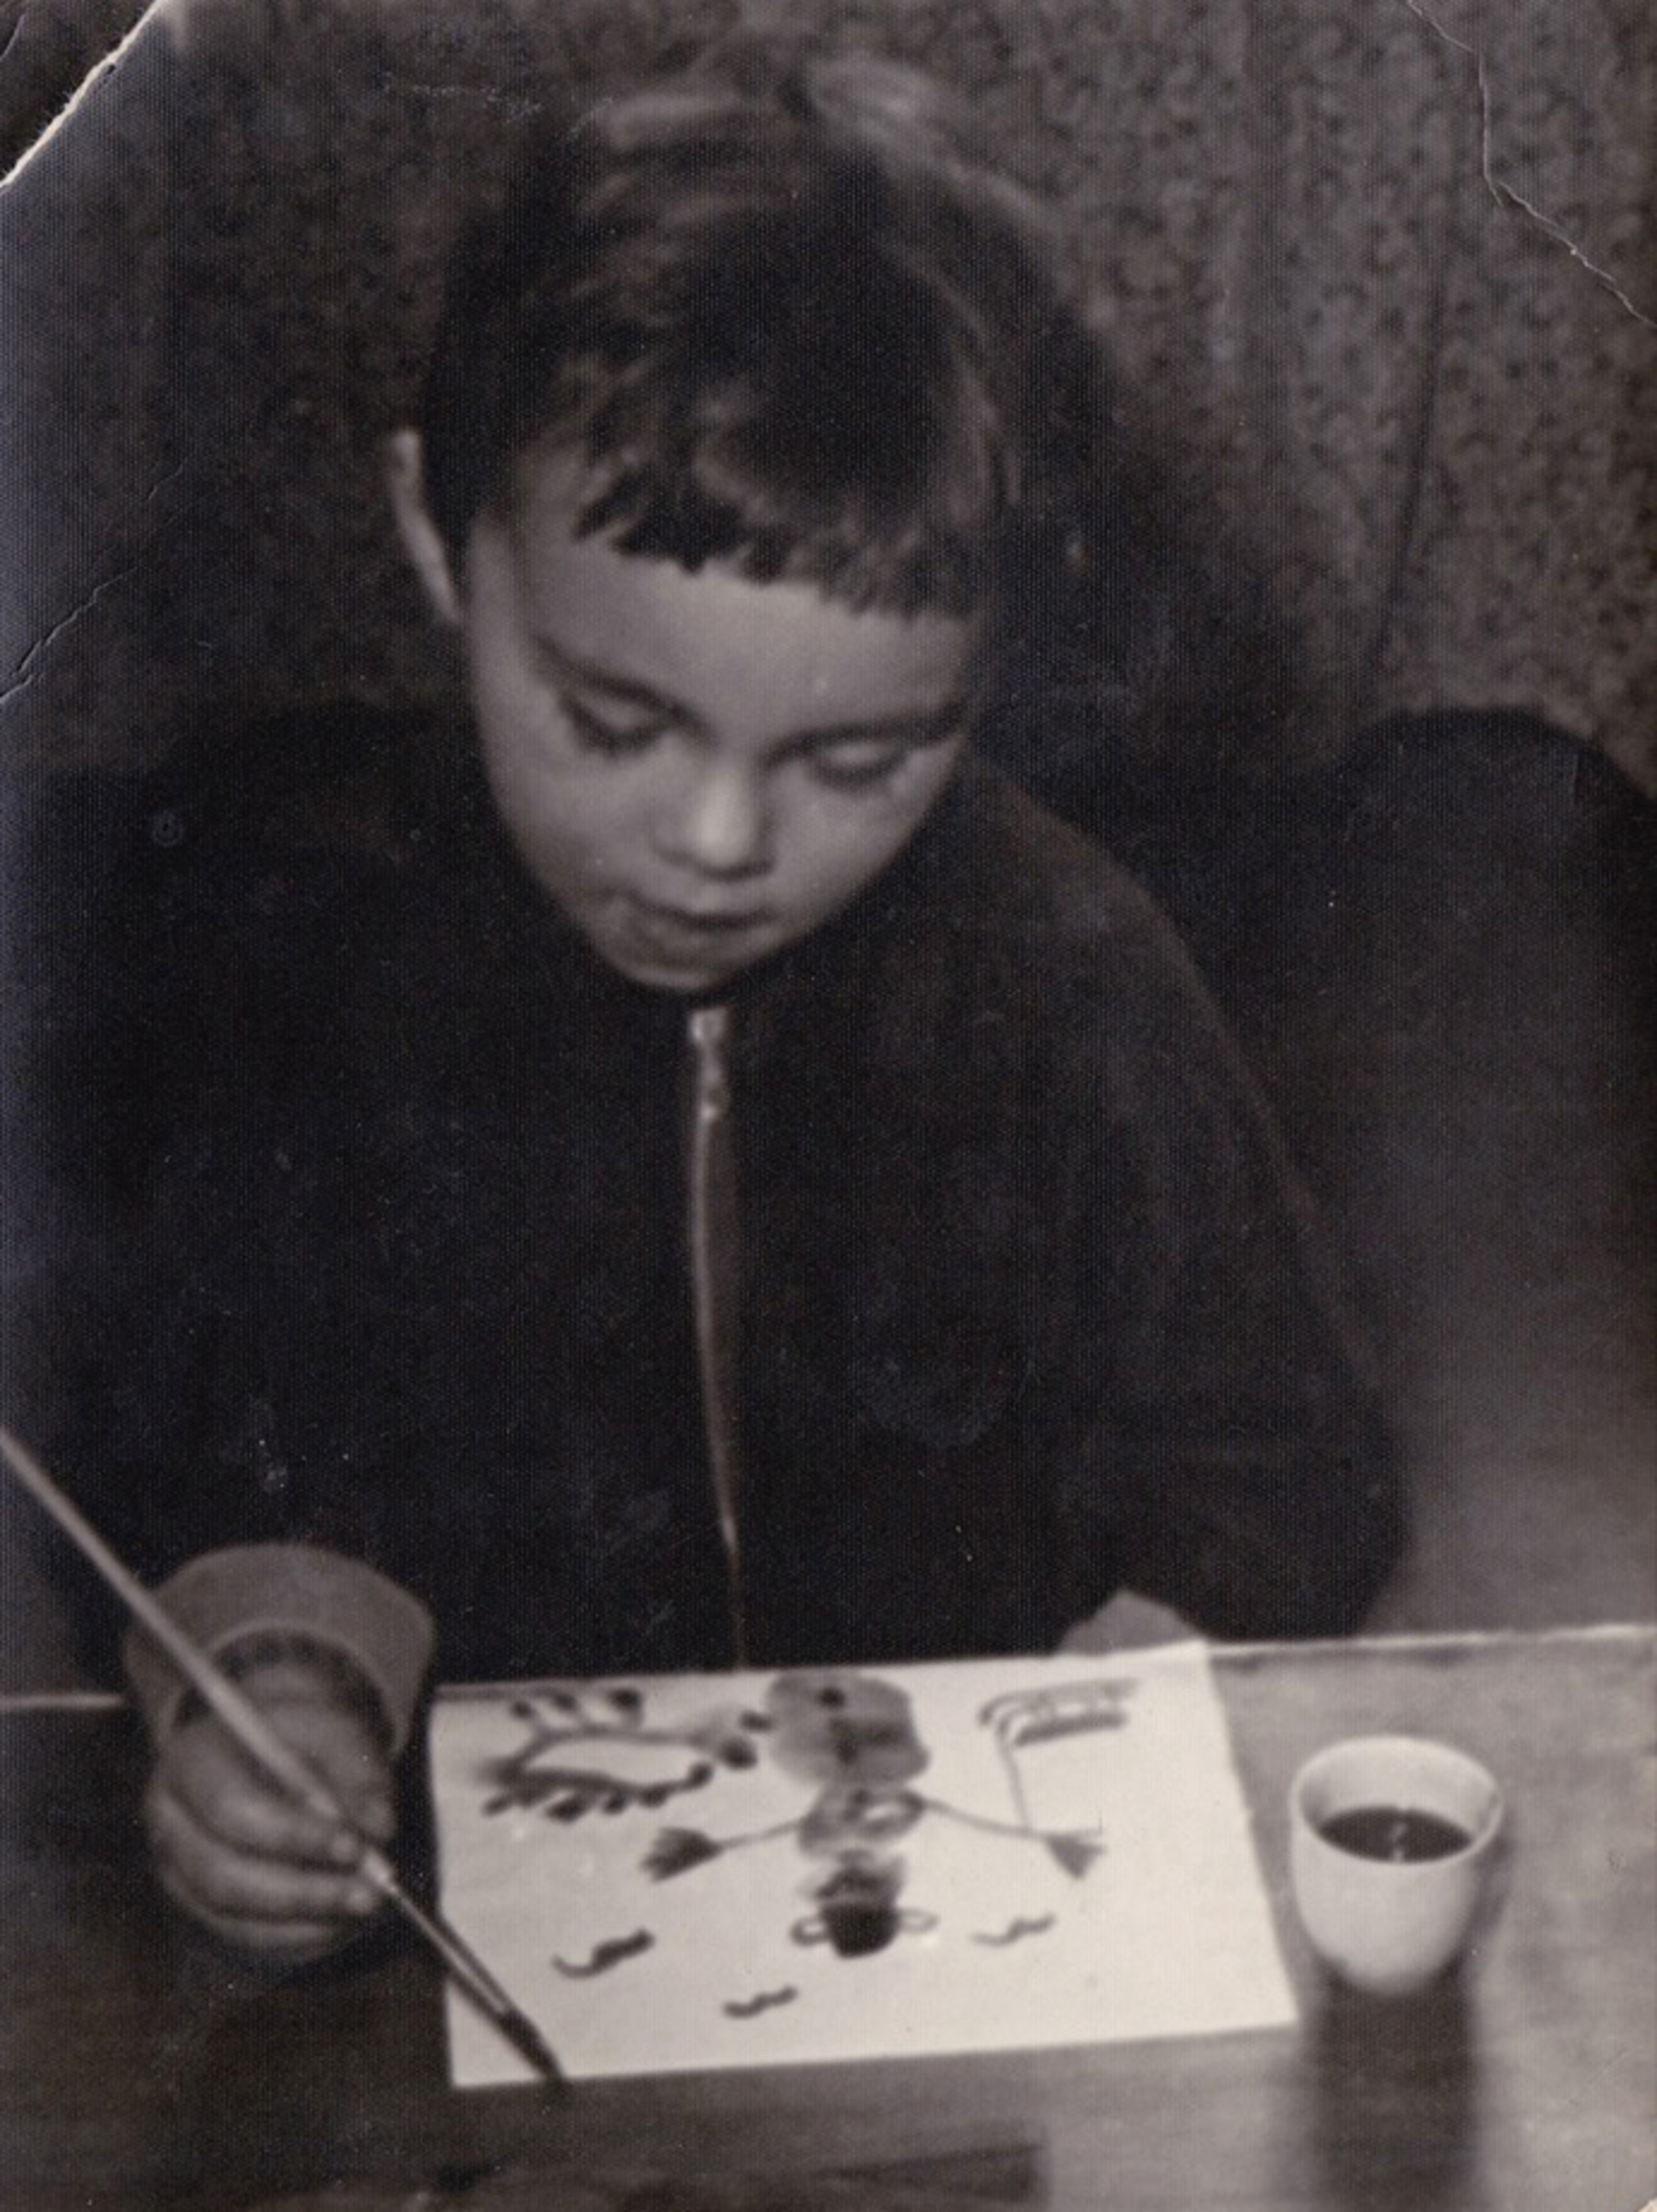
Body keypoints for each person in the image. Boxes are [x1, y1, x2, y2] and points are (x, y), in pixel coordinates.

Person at [14, 45, 1401, 1961]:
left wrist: (1142, 1673)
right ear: (438, 538)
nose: (718, 844)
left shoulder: (1063, 972)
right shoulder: (289, 949)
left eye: (860, 761)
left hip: (955, 1904)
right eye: (612, 722)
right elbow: (192, 1423)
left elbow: (1278, 1463)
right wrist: (274, 1683)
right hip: (453, 1934)